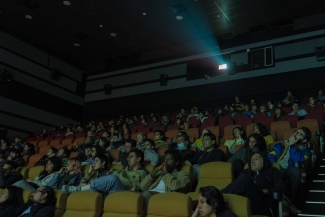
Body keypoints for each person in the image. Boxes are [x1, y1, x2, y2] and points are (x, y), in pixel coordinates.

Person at [221, 151, 285, 215]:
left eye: (256, 159)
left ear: (264, 161)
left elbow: (281, 190)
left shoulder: (273, 171)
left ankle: (218, 196)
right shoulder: (246, 172)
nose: (252, 161)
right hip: (243, 203)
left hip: (263, 205)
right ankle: (218, 197)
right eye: (251, 159)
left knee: (246, 179)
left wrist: (267, 191)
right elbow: (235, 187)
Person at [140, 149, 190, 216]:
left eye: (169, 159)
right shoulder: (159, 173)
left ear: (176, 162)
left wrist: (166, 173)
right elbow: (142, 186)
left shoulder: (182, 174)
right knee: (131, 195)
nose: (166, 161)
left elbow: (175, 187)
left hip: (164, 196)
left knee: (146, 194)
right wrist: (155, 170)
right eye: (165, 159)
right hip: (149, 193)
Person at [268, 127, 312, 202]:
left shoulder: (306, 152)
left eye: (299, 134)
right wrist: (275, 166)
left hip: (290, 169)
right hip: (277, 167)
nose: (295, 134)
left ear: (304, 140)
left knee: (296, 171)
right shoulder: (279, 145)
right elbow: (271, 156)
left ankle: (289, 201)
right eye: (296, 132)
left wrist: (292, 145)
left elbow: (297, 159)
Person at [77, 150, 147, 194]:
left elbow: (139, 188)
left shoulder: (143, 172)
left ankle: (77, 189)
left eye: (131, 157)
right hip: (112, 191)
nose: (128, 159)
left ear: (138, 159)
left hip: (126, 192)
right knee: (92, 192)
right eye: (128, 157)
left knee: (113, 178)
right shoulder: (125, 170)